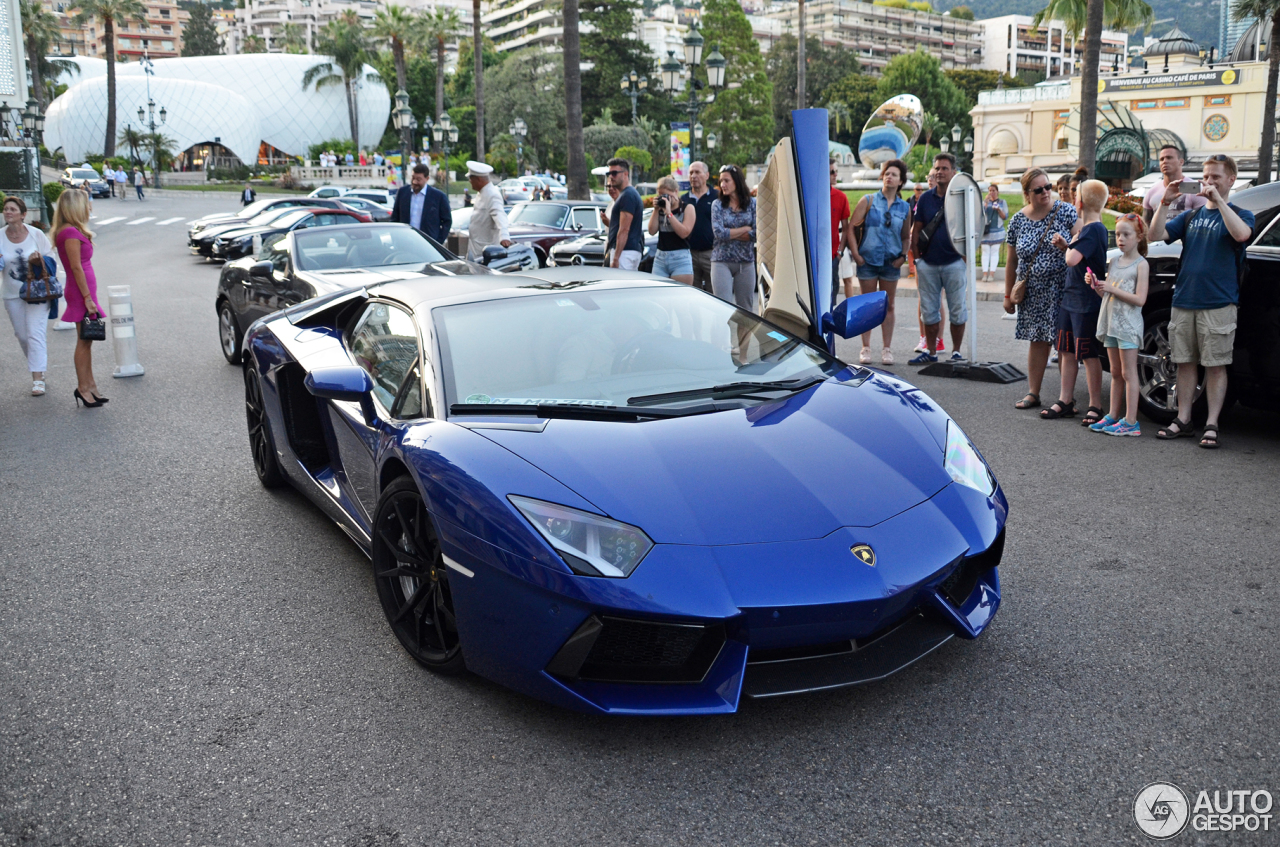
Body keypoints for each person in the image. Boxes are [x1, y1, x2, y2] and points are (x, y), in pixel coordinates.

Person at [1149, 153, 1254, 448]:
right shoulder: (1191, 216)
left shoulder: (1240, 213)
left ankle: (1212, 423)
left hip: (1219, 303)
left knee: (1216, 365)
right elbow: (1155, 235)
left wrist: (1219, 202)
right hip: (1184, 300)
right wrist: (1165, 202)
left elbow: (1242, 234)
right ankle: (1183, 419)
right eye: (1206, 177)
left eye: (1216, 177)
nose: (1208, 182)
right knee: (1184, 362)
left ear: (1231, 180)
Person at [1003, 168, 1078, 410]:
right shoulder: (1017, 220)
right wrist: (1007, 295)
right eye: (1039, 189)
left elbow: (1084, 244)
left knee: (1065, 344)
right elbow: (1011, 261)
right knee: (1037, 340)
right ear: (1027, 193)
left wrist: (1067, 246)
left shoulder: (1066, 211)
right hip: (1032, 290)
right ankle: (1033, 393)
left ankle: (1066, 398)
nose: (1046, 192)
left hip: (1062, 287)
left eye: (1048, 187)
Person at [1088, 214, 1150, 436]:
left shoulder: (1141, 265)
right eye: (1118, 234)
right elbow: (1106, 294)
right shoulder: (1114, 261)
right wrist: (1096, 285)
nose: (1121, 239)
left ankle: (1131, 421)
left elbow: (1140, 299)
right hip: (1111, 323)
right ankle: (1113, 415)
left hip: (1128, 326)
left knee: (1128, 373)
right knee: (1115, 372)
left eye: (1126, 234)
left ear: (1139, 237)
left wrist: (1111, 289)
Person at [848, 158, 911, 365]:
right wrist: (856, 255)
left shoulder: (904, 207)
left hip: (890, 262)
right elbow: (851, 227)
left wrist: (902, 256)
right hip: (868, 260)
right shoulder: (868, 200)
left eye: (894, 174)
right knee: (867, 305)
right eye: (886, 173)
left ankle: (886, 348)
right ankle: (865, 347)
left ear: (901, 181)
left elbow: (905, 236)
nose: (889, 177)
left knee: (888, 305)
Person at [909, 153, 967, 364]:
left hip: (953, 263)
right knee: (929, 312)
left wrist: (964, 260)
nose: (940, 172)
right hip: (929, 264)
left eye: (944, 168)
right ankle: (931, 353)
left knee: (958, 311)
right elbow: (916, 231)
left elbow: (973, 229)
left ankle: (956, 352)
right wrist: (917, 260)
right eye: (937, 168)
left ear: (953, 172)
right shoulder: (925, 199)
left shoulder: (962, 197)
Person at [52, 189, 107, 408]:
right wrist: (87, 298)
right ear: (75, 207)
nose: (89, 207)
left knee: (87, 340)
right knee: (84, 341)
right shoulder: (70, 233)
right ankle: (83, 388)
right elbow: (75, 267)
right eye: (86, 203)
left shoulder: (71, 230)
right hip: (80, 293)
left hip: (84, 292)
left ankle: (90, 385)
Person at [2, 196, 58, 396]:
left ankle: (37, 378)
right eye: (6, 209)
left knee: (35, 333)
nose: (8, 212)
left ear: (23, 215)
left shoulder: (36, 235)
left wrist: (39, 260)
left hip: (37, 292)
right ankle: (38, 367)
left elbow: (52, 260)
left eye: (13, 209)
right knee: (23, 335)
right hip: (12, 293)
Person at [710, 164, 757, 311]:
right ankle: (723, 335)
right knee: (722, 308)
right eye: (721, 181)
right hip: (721, 261)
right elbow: (719, 233)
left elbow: (756, 234)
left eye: (726, 180)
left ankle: (744, 336)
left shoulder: (752, 204)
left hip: (746, 262)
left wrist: (730, 233)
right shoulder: (717, 205)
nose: (722, 185)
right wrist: (744, 229)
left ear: (737, 181)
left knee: (746, 311)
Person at [647, 176, 696, 284]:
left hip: (680, 258)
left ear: (676, 191)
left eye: (666, 195)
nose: (664, 198)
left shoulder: (687, 208)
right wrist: (656, 210)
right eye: (661, 195)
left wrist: (669, 213)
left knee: (681, 296)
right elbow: (651, 231)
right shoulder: (660, 209)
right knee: (658, 295)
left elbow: (684, 233)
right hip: (660, 257)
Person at [1142, 144, 1208, 225]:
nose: (1165, 161)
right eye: (1161, 159)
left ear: (1181, 162)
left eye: (1169, 157)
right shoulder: (1152, 191)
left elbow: (1203, 221)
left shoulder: (1194, 188)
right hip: (1158, 236)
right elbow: (1146, 225)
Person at [390, 163, 452, 244]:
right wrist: (395, 238)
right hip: (404, 242)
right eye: (413, 178)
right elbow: (395, 217)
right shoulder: (403, 192)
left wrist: (438, 242)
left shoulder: (438, 197)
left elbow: (447, 221)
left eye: (418, 179)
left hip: (428, 244)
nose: (414, 182)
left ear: (427, 178)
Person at [680, 161, 718, 294]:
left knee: (715, 295)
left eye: (697, 172)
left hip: (712, 253)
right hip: (689, 254)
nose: (693, 176)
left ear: (707, 175)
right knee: (691, 295)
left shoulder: (717, 197)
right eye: (691, 173)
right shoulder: (683, 200)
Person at [464, 160, 512, 261]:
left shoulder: (492, 194)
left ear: (478, 179)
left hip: (485, 255)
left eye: (471, 178)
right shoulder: (481, 193)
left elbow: (499, 214)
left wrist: (504, 235)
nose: (469, 181)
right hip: (476, 251)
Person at [605, 157, 644, 270]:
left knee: (619, 286)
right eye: (609, 173)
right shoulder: (627, 194)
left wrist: (616, 258)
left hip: (625, 253)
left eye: (614, 173)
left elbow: (624, 229)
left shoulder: (628, 195)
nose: (611, 176)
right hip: (627, 252)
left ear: (625, 174)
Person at [829, 159, 851, 310]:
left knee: (833, 289)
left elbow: (846, 227)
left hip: (833, 254)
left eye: (836, 171)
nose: (835, 174)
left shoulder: (841, 197)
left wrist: (840, 251)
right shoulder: (811, 195)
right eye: (832, 172)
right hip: (813, 254)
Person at [980, 183, 1008, 282]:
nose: (991, 192)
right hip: (986, 232)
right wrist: (985, 203)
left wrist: (998, 209)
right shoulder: (985, 202)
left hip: (997, 231)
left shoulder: (1002, 202)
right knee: (985, 252)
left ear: (997, 191)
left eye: (993, 190)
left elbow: (1005, 216)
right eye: (990, 191)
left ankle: (991, 274)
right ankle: (984, 274)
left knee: (994, 252)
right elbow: (980, 214)